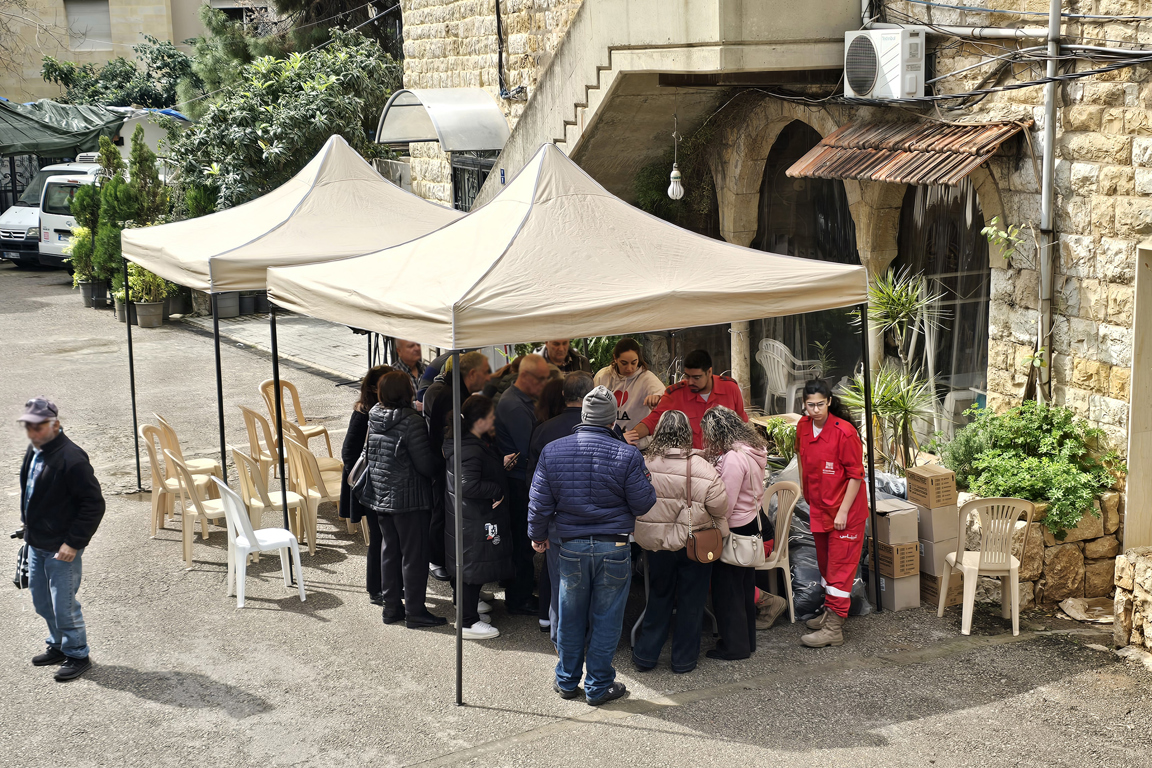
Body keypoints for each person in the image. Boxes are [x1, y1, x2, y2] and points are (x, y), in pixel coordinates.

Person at [528, 386, 657, 706]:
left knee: (569, 616)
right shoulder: (627, 454)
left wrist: (537, 534)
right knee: (607, 619)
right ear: (612, 419)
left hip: (569, 546)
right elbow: (643, 504)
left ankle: (567, 681)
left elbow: (538, 503)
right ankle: (599, 686)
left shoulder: (553, 450)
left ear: (584, 416)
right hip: (613, 547)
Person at [631, 410, 729, 674]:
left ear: (659, 432)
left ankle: (645, 656)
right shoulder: (702, 468)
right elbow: (720, 507)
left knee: (658, 597)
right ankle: (683, 660)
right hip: (693, 542)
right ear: (687, 433)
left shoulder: (643, 464)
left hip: (656, 545)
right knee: (692, 601)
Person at [17, 397, 105, 682]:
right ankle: (58, 645)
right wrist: (29, 524)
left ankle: (78, 654)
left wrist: (74, 542)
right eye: (28, 427)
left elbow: (93, 504)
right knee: (42, 602)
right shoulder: (35, 451)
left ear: (54, 424)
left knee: (64, 606)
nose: (32, 433)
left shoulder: (72, 458)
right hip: (36, 542)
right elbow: (34, 492)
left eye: (38, 427)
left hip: (61, 549)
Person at [358, 372, 445, 629]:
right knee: (414, 556)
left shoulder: (374, 415)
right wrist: (441, 456)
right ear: (405, 392)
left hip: (380, 496)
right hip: (409, 499)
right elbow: (426, 465)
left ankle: (391, 608)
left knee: (390, 551)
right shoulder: (411, 421)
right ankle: (416, 612)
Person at [796, 379, 866, 648]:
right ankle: (829, 614)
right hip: (820, 509)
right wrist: (805, 491)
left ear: (829, 402)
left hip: (844, 513)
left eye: (820, 404)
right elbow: (802, 458)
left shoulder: (844, 432)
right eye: (810, 405)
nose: (815, 410)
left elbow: (855, 476)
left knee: (839, 569)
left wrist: (843, 511)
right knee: (826, 566)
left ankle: (834, 629)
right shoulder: (803, 427)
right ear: (804, 404)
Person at [527, 371, 595, 639]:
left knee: (561, 585)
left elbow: (533, 488)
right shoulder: (607, 431)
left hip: (558, 523)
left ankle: (563, 642)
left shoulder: (543, 430)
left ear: (564, 395)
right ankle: (587, 636)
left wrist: (537, 530)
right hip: (598, 523)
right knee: (596, 586)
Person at [444, 395, 516, 640]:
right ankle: (466, 621)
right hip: (473, 519)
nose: (494, 419)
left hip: (468, 517)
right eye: (491, 416)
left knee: (469, 566)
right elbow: (468, 484)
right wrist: (495, 489)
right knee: (471, 567)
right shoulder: (471, 448)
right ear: (480, 420)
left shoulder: (469, 442)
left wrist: (499, 465)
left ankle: (468, 611)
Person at [701, 406, 767, 661]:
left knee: (726, 591)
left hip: (733, 527)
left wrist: (714, 526)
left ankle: (733, 646)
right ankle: (746, 640)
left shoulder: (733, 458)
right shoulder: (753, 450)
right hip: (750, 523)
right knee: (743, 588)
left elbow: (724, 503)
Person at [423, 352, 492, 582]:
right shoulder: (451, 396)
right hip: (444, 465)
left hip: (447, 464)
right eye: (486, 372)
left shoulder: (453, 391)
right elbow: (447, 437)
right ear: (471, 374)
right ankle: (438, 560)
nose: (489, 377)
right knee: (444, 513)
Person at [494, 353, 551, 615]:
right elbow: (529, 449)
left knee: (521, 540)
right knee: (521, 541)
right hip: (519, 483)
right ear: (525, 377)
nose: (544, 384)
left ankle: (522, 588)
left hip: (520, 479)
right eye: (541, 379)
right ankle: (519, 597)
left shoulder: (521, 399)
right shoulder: (515, 406)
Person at [340, 364, 393, 605]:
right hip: (371, 487)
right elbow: (349, 452)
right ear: (373, 387)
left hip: (386, 487)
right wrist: (366, 483)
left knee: (388, 538)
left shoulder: (389, 409)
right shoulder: (362, 412)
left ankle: (389, 586)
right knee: (379, 538)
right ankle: (376, 589)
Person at [626, 349, 747, 450]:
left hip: (727, 465)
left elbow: (742, 424)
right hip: (693, 467)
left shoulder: (730, 388)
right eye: (687, 376)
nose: (690, 382)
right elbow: (651, 422)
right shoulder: (676, 394)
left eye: (696, 377)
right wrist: (626, 438)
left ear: (709, 372)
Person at [593, 338, 666, 441]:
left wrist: (657, 397)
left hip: (638, 444)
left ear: (638, 359)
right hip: (608, 441)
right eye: (624, 363)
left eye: (633, 362)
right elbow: (593, 407)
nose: (629, 368)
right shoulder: (602, 376)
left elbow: (666, 399)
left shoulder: (647, 378)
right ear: (615, 358)